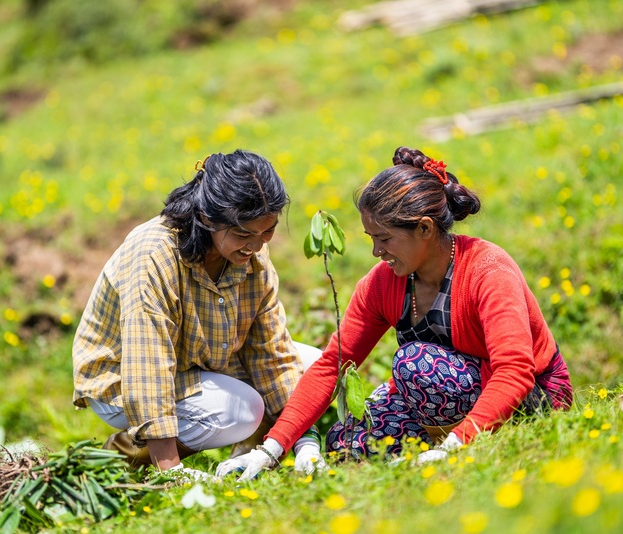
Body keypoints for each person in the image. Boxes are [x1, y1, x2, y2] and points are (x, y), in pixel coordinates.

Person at [219, 146, 573, 480]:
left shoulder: (488, 271)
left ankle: (466, 440)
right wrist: (271, 449)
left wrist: (456, 445)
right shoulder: (383, 284)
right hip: (444, 393)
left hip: (530, 398)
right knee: (345, 443)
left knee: (415, 362)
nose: (376, 251)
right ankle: (432, 442)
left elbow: (514, 370)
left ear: (424, 228)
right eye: (371, 237)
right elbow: (332, 365)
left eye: (385, 238)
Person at [72, 149, 323, 473]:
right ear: (207, 218)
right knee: (240, 411)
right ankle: (118, 459)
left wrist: (305, 442)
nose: (257, 245)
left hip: (198, 360)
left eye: (267, 231)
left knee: (313, 367)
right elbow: (149, 365)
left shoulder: (252, 255)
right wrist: (171, 470)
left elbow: (271, 351)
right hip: (123, 378)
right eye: (243, 234)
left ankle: (250, 457)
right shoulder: (155, 254)